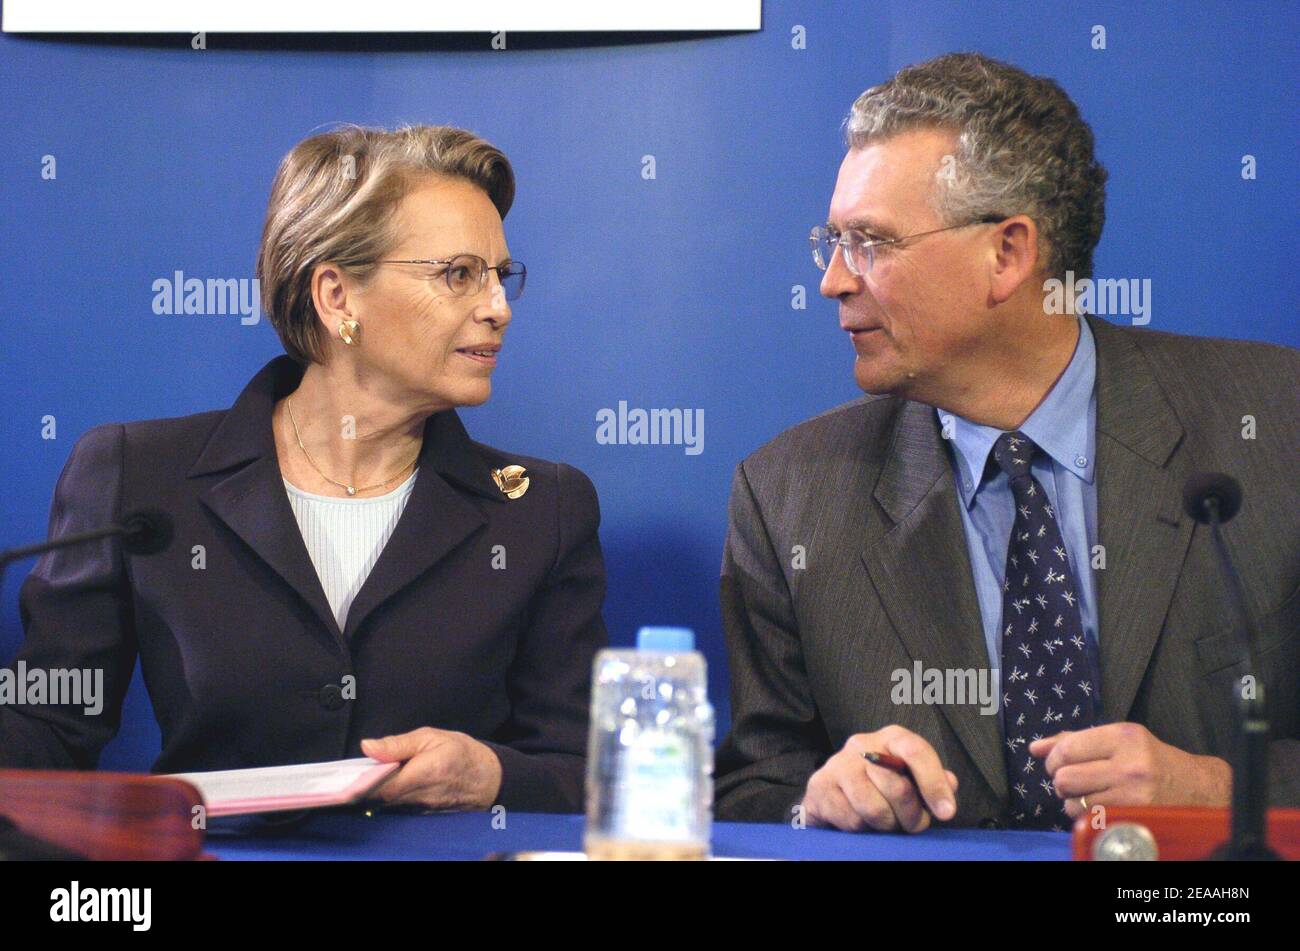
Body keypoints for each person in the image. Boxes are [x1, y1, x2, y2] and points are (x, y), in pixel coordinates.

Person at [714, 53, 1299, 831]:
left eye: (871, 243)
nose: (834, 280)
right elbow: (755, 790)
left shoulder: (1276, 424)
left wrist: (1220, 789)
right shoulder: (788, 497)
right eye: (834, 240)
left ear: (1010, 253)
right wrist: (814, 801)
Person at [0, 124, 608, 814]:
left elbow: (589, 770)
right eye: (459, 274)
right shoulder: (139, 477)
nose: (497, 307)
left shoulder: (541, 509)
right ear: (337, 296)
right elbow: (45, 726)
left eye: (501, 276)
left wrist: (493, 774)